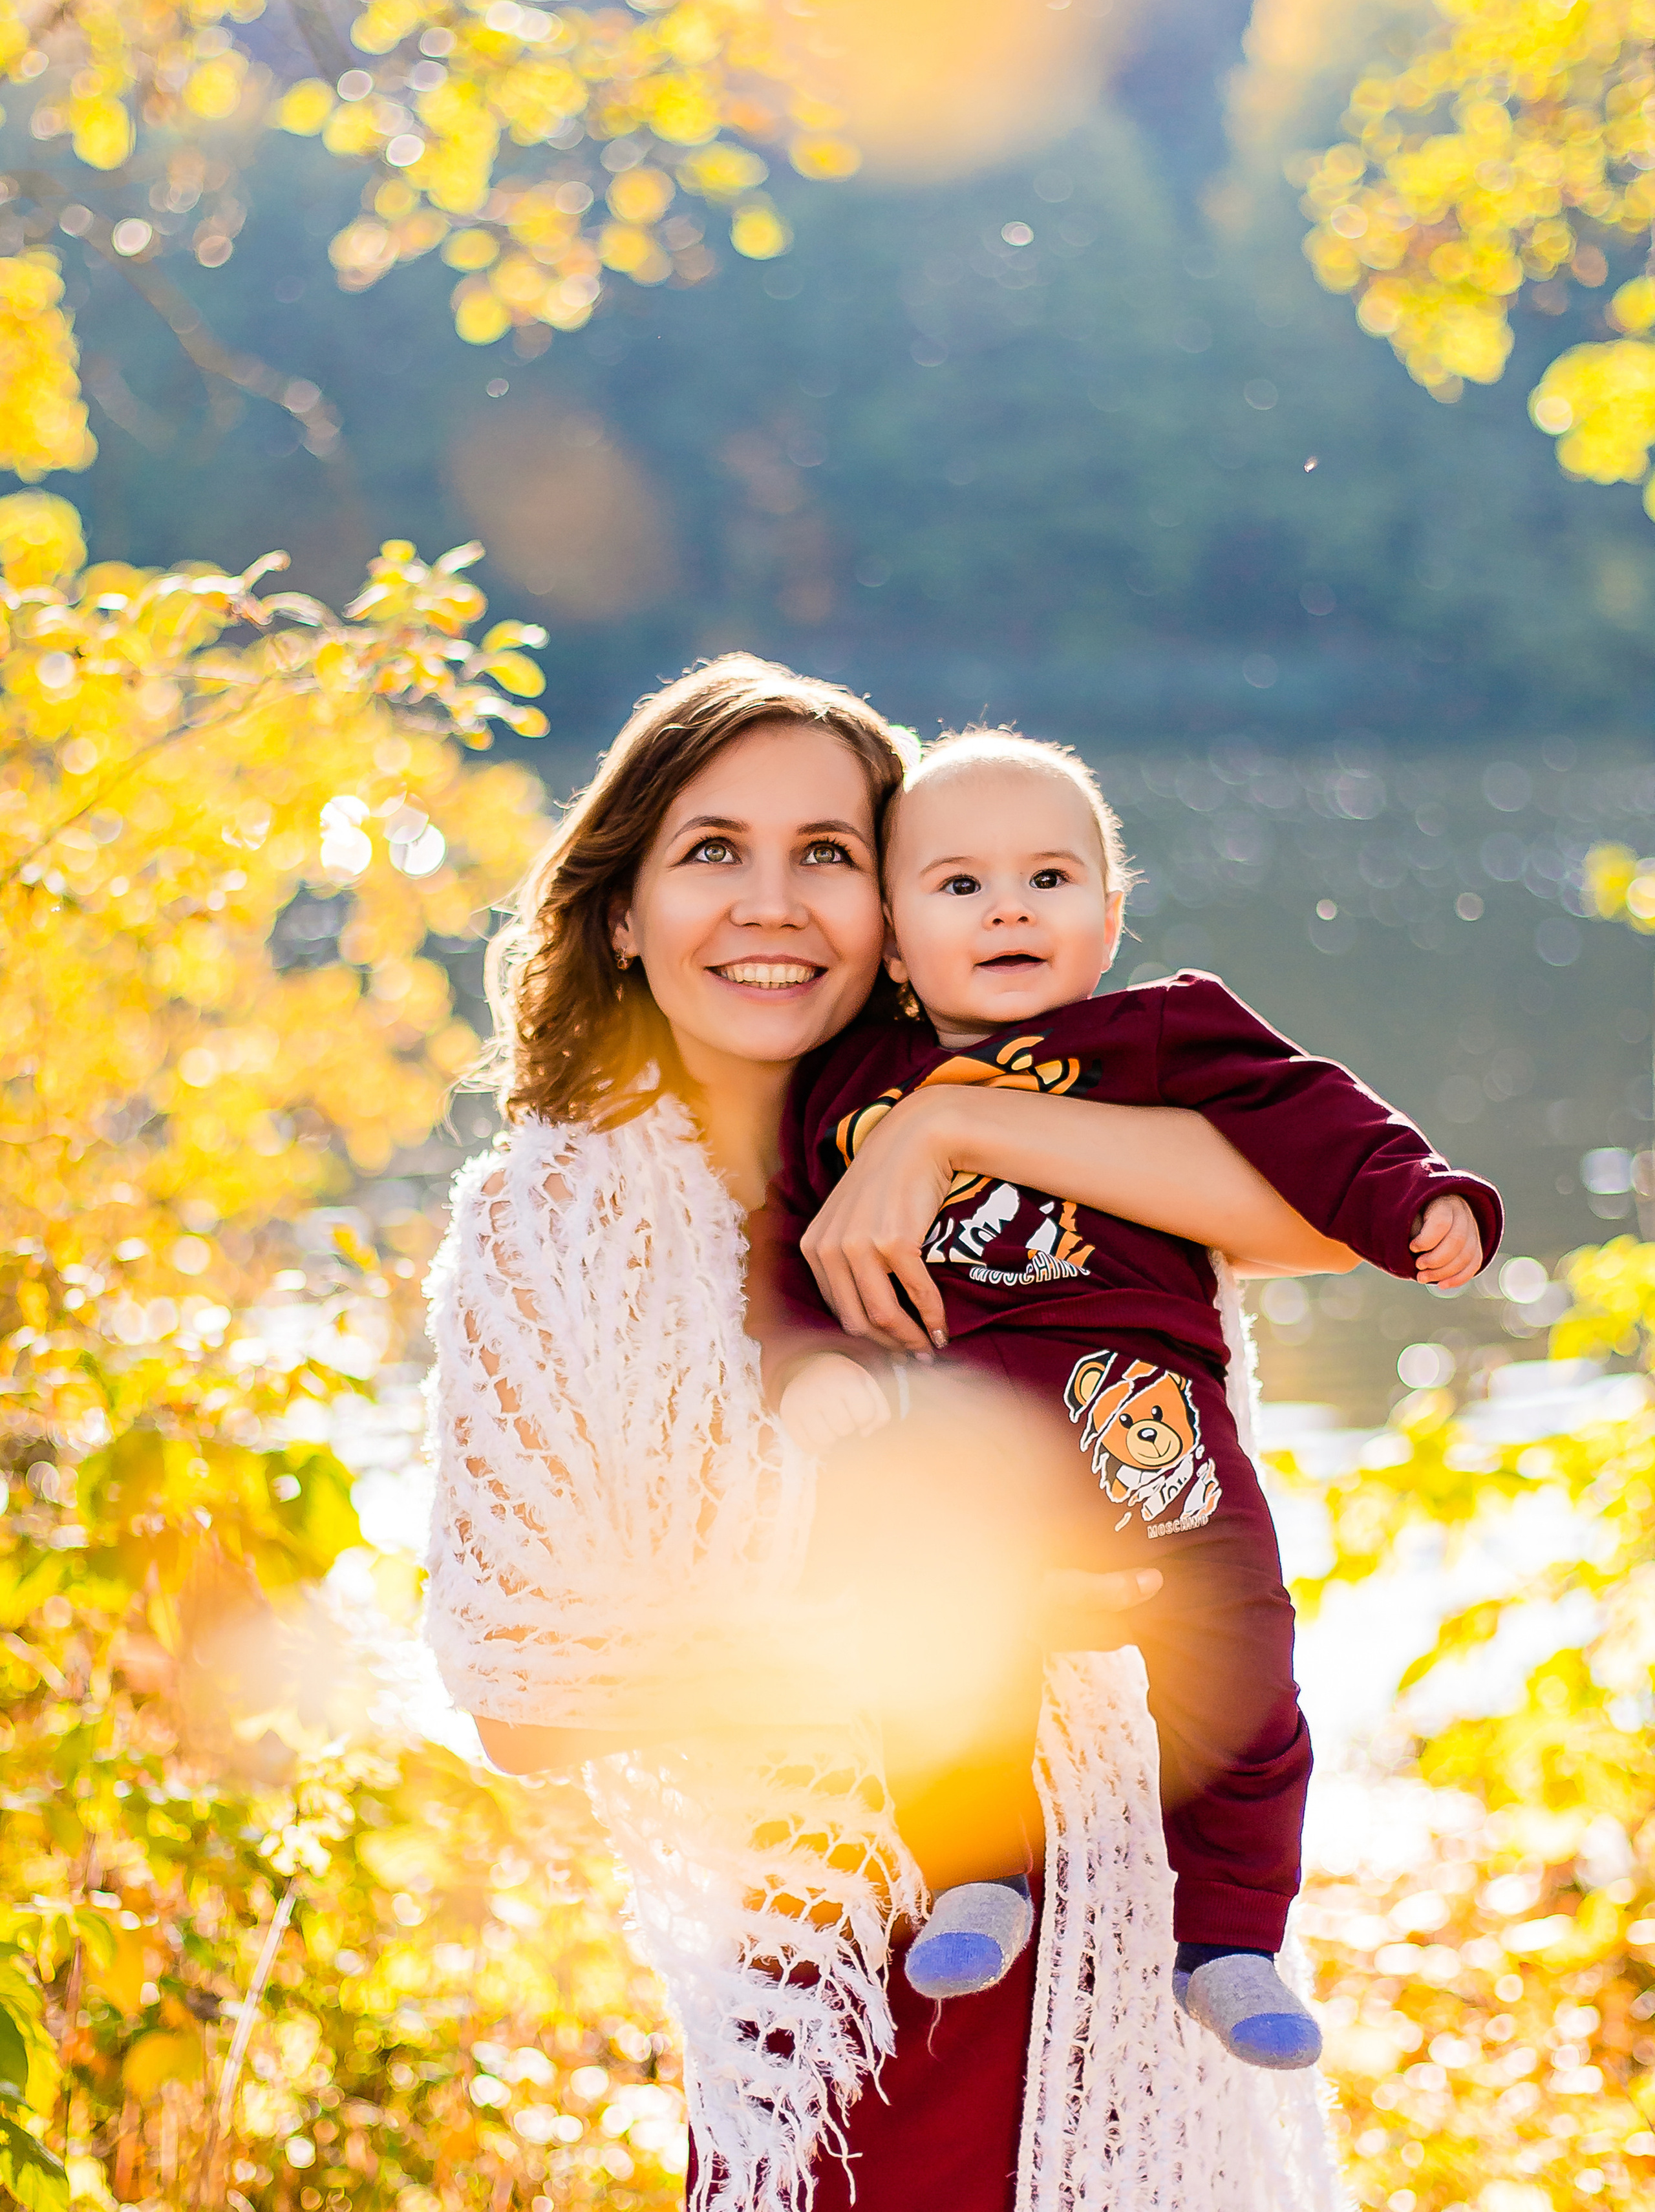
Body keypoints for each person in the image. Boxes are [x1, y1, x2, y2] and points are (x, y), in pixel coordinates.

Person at [423, 657, 1352, 2212]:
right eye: (711, 850)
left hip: (1141, 1966)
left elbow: (1326, 1223)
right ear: (621, 910)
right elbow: (523, 1698)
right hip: (851, 2007)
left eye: (830, 856)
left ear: (908, 909)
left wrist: (948, 1126)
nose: (772, 904)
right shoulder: (552, 1225)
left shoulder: (1034, 1129)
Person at [753, 728, 1502, 2073]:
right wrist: (818, 1375)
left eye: (1049, 878)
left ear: (1109, 912)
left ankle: (1228, 1938)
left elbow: (1312, 1116)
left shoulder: (1156, 1037)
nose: (1009, 910)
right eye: (959, 885)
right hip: (954, 1434)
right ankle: (978, 1866)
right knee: (929, 1633)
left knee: (1240, 1662)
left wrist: (1419, 1198)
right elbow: (796, 1253)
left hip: (1145, 1425)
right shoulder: (848, 1088)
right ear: (892, 937)